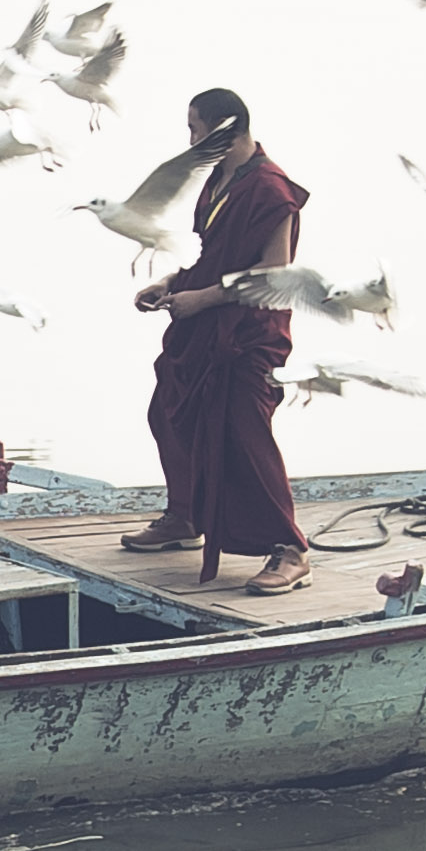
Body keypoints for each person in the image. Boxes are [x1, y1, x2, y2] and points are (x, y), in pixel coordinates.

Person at [130, 87, 316, 592]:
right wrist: (172, 283)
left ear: (222, 129)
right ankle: (186, 517)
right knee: (167, 410)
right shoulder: (221, 178)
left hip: (249, 331)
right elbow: (214, 251)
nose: (191, 140)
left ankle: (291, 550)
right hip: (204, 323)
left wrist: (204, 298)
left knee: (245, 434)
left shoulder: (271, 188)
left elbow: (274, 270)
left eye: (195, 129)